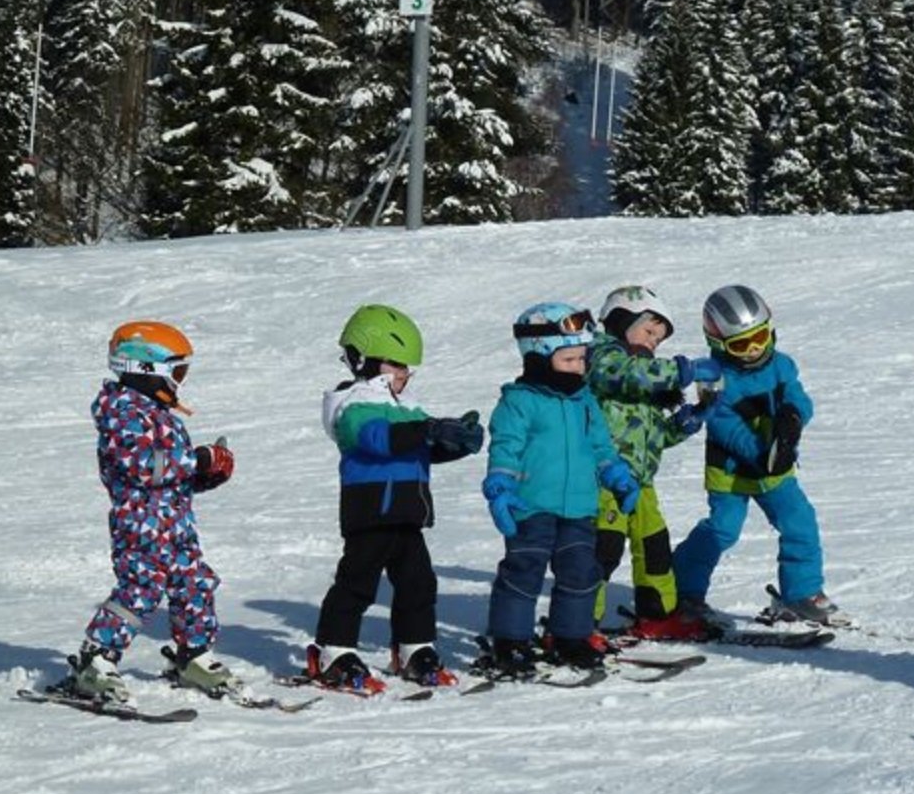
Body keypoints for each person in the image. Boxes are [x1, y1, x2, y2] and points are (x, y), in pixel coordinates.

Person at [60, 320, 240, 707]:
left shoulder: (160, 414)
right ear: (145, 370)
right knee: (139, 591)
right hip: (139, 524)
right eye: (177, 371)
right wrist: (196, 459)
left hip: (175, 524)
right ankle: (96, 660)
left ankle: (192, 656)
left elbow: (171, 478)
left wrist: (207, 474)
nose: (180, 381)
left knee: (195, 584)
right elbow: (141, 466)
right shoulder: (122, 413)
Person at [306, 304, 484, 692]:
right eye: (397, 365)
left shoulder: (406, 407)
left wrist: (455, 441)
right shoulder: (351, 405)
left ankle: (414, 647)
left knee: (419, 583)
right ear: (365, 360)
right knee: (357, 583)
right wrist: (427, 428)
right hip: (371, 513)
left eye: (408, 368)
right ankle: (334, 651)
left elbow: (418, 447)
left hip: (407, 513)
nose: (404, 374)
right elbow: (377, 439)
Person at [480, 302, 640, 676]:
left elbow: (600, 448)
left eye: (582, 360)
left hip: (580, 508)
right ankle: (511, 642)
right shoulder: (520, 402)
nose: (579, 368)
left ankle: (570, 637)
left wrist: (617, 476)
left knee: (582, 571)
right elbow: (506, 447)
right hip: (531, 504)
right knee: (524, 570)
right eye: (569, 360)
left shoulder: (584, 402)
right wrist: (500, 487)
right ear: (538, 358)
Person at [672, 285, 847, 626]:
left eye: (760, 338)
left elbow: (798, 397)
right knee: (723, 530)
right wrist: (761, 453)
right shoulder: (714, 377)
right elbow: (724, 426)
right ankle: (682, 590)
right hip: (733, 473)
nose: (753, 351)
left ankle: (801, 593)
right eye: (740, 345)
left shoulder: (781, 365)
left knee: (800, 521)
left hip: (776, 468)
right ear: (718, 344)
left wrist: (793, 418)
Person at [587, 285, 721, 641]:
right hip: (603, 482)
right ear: (620, 321)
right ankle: (579, 622)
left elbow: (652, 436)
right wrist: (683, 371)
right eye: (648, 332)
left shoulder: (641, 376)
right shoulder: (601, 357)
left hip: (642, 483)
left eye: (658, 340)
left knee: (655, 547)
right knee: (603, 550)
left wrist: (683, 422)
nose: (652, 343)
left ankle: (657, 613)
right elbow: (625, 373)